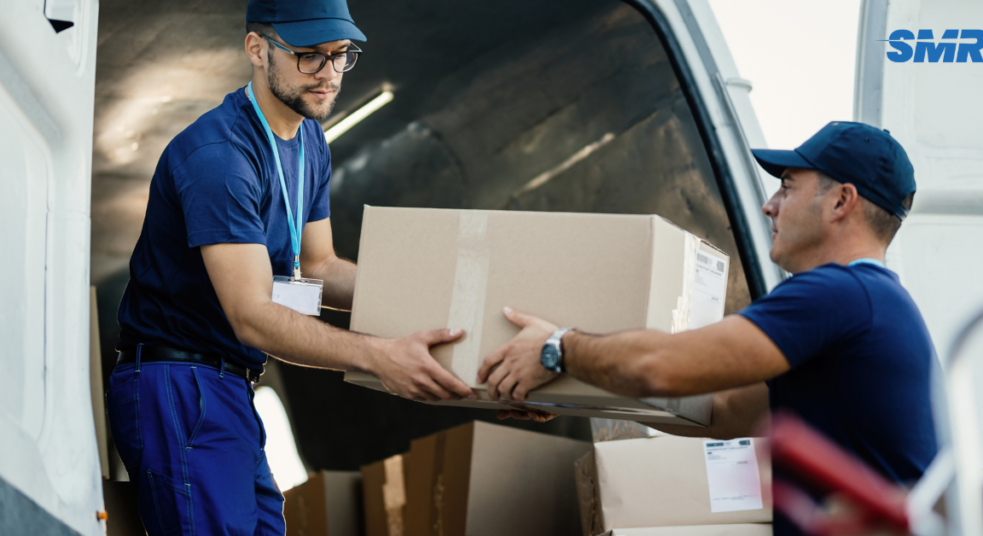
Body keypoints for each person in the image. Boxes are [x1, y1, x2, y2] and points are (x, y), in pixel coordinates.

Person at [106, 1, 474, 533]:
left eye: (340, 56)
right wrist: (381, 357)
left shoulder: (309, 142)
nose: (328, 74)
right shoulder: (219, 158)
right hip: (180, 384)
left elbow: (320, 266)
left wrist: (437, 304)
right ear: (257, 48)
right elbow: (253, 315)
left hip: (231, 386)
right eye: (308, 57)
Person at [477, 122, 939, 535]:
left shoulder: (840, 293)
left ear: (841, 201)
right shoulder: (872, 302)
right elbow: (720, 412)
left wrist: (556, 348)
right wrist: (572, 388)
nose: (769, 205)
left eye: (787, 187)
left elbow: (661, 368)